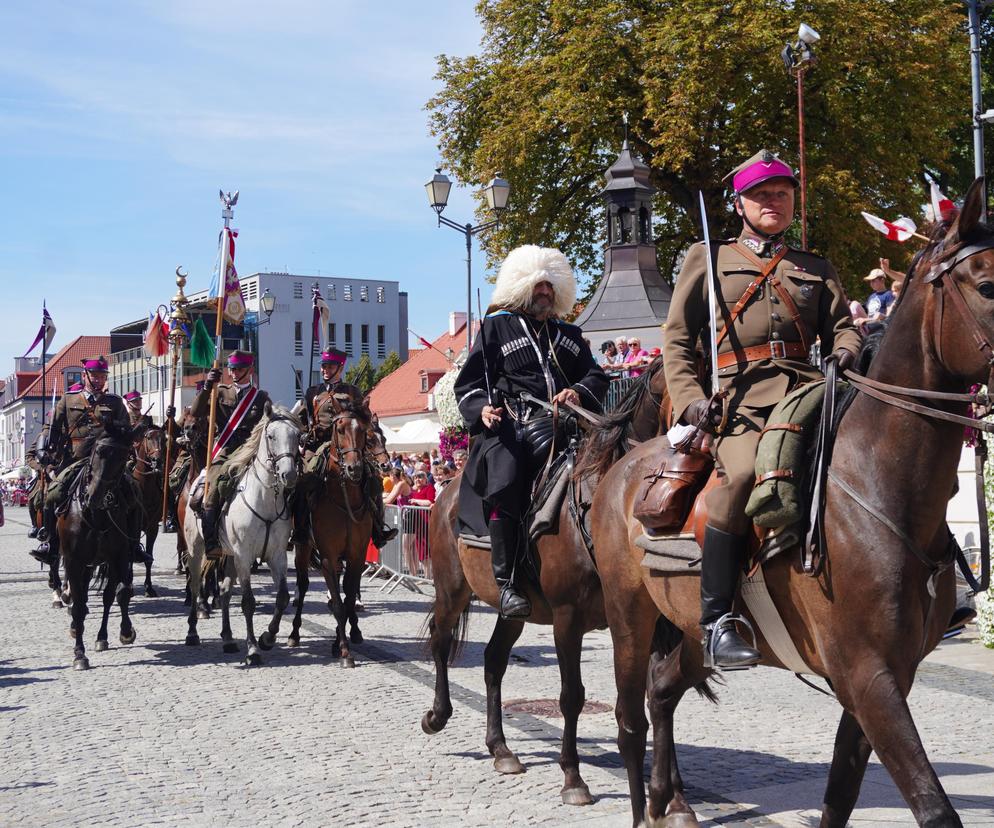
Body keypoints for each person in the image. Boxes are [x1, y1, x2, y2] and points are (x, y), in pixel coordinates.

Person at [663, 149, 861, 669]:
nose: (773, 202)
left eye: (782, 194)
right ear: (741, 204)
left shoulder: (814, 266)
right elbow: (678, 341)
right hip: (742, 402)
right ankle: (717, 622)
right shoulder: (708, 258)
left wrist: (845, 350)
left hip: (811, 391)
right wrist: (689, 403)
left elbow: (842, 326)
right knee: (745, 475)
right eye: (761, 195)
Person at [454, 244, 609, 618]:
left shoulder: (568, 334)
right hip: (511, 426)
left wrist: (577, 390)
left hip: (567, 424)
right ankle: (507, 583)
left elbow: (596, 375)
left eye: (549, 288)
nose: (544, 294)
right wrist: (482, 409)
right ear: (522, 287)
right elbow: (469, 383)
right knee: (506, 481)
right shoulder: (496, 327)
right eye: (538, 287)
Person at [31, 356, 135, 565]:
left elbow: (127, 430)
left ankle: (133, 545)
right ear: (85, 375)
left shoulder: (115, 402)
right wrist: (43, 450)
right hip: (76, 458)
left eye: (102, 376)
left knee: (133, 491)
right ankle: (50, 542)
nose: (98, 380)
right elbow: (49, 428)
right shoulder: (69, 400)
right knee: (53, 494)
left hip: (107, 460)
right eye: (95, 376)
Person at [294, 348, 397, 548]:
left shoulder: (352, 392)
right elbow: (301, 420)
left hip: (348, 445)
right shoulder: (313, 393)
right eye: (323, 366)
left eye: (330, 366)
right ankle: (300, 530)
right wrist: (303, 433)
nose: (325, 370)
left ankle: (378, 529)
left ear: (340, 368)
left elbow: (364, 419)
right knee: (302, 482)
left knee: (373, 479)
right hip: (318, 445)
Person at [192, 350, 272, 560]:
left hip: (251, 453)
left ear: (250, 370)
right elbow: (196, 412)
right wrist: (208, 386)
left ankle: (282, 535)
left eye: (239, 369)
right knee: (212, 491)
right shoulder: (220, 392)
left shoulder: (261, 397)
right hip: (226, 452)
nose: (234, 373)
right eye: (232, 368)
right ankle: (211, 542)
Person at [25, 424, 50, 539]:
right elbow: (29, 455)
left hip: (61, 467)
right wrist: (39, 467)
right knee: (32, 498)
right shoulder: (43, 434)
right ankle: (36, 525)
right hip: (44, 473)